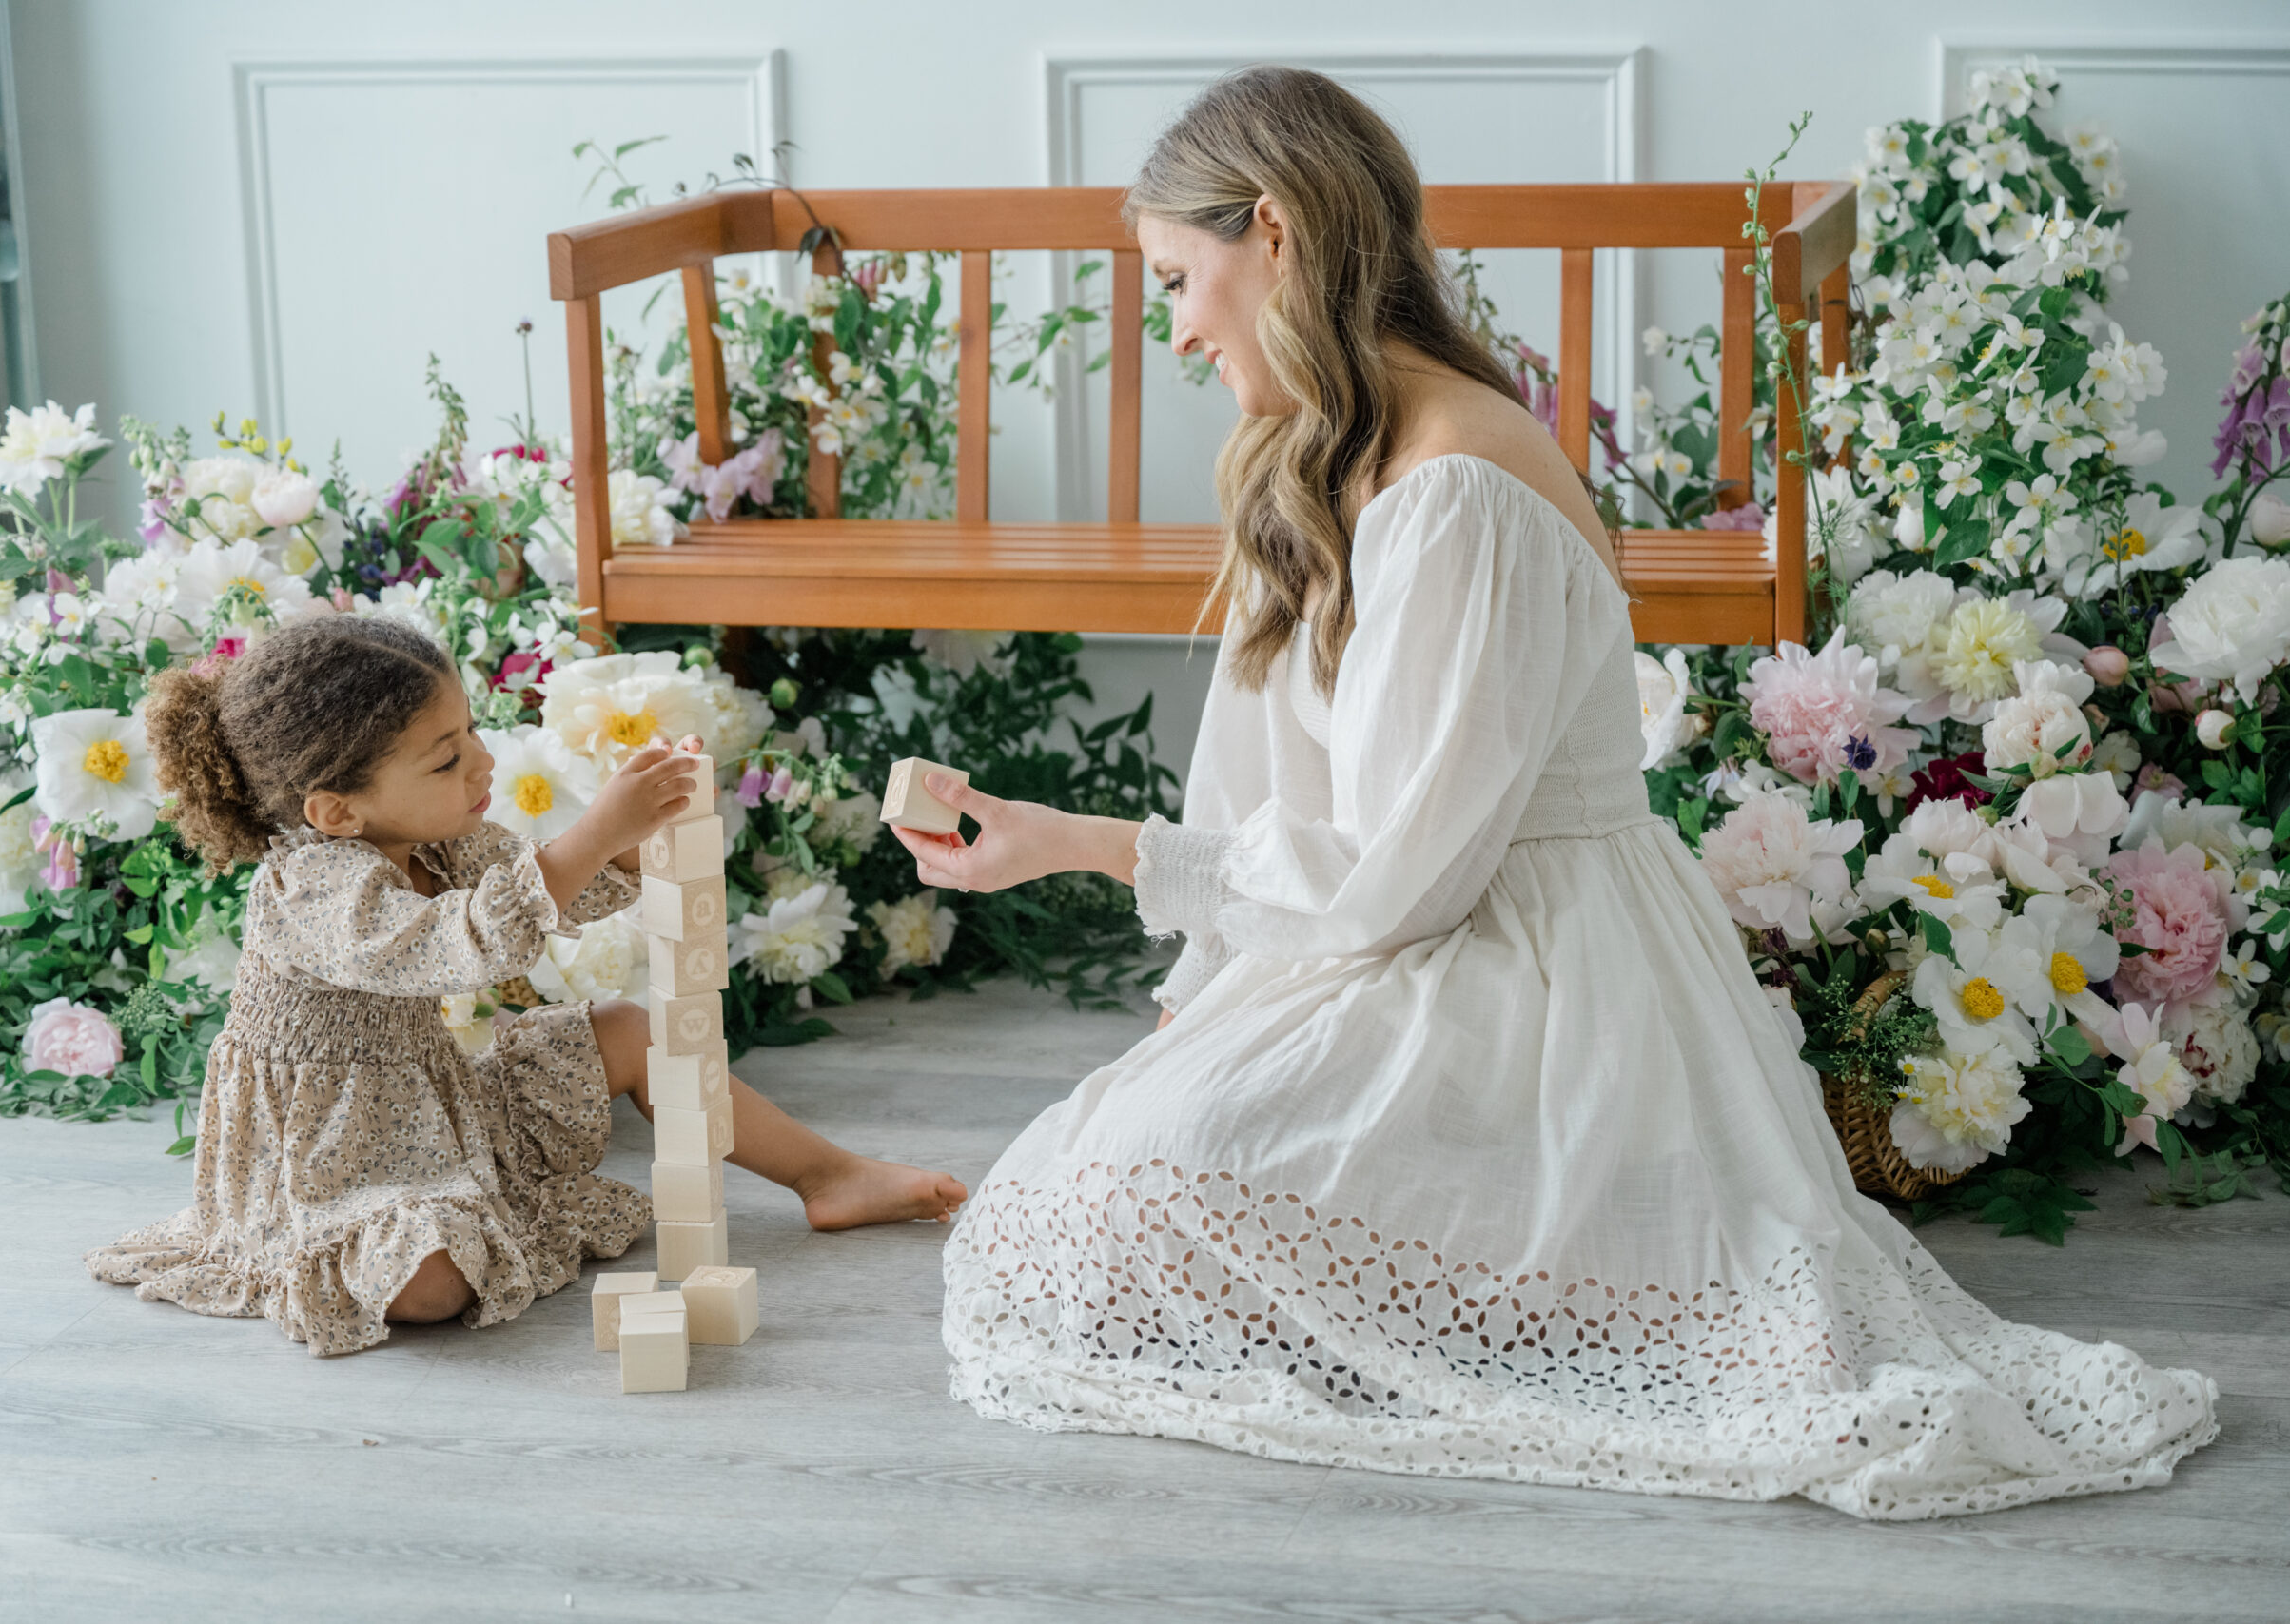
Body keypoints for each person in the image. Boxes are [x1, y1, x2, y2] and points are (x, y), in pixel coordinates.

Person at [888, 66, 2218, 1518]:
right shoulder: (1310, 453)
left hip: (1526, 976)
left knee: (1118, 1205)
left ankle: (1544, 1285)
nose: (1178, 325)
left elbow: (1406, 872)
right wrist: (1204, 988)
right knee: (1064, 1202)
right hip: (1399, 936)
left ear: (1272, 230)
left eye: (1178, 279)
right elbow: (1271, 772)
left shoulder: (1456, 483)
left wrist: (1077, 843)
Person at [88, 616, 965, 1356]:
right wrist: (593, 832)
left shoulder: (439, 837)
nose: (479, 765)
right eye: (443, 760)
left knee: (625, 1026)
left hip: (434, 1100)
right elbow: (461, 941)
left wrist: (647, 815)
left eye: (469, 732)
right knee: (434, 1282)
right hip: (333, 1157)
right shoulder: (311, 890)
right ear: (334, 810)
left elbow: (554, 884)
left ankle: (828, 1175)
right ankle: (400, 1234)